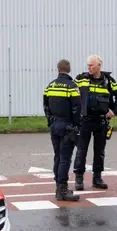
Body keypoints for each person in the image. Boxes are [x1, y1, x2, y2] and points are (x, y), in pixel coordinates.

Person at [72, 55, 117, 191]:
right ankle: (79, 178)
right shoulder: (80, 79)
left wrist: (114, 110)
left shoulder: (108, 80)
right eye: (88, 65)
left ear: (99, 66)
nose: (89, 68)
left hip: (101, 120)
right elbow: (71, 94)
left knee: (99, 151)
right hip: (85, 121)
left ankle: (97, 177)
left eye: (91, 65)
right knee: (81, 150)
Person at [43, 59, 81, 201]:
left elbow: (45, 106)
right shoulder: (72, 86)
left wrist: (50, 122)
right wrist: (76, 126)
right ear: (69, 69)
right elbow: (77, 108)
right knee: (65, 158)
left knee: (57, 156)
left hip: (55, 126)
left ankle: (58, 185)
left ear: (58, 69)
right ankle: (62, 190)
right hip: (67, 126)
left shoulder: (50, 86)